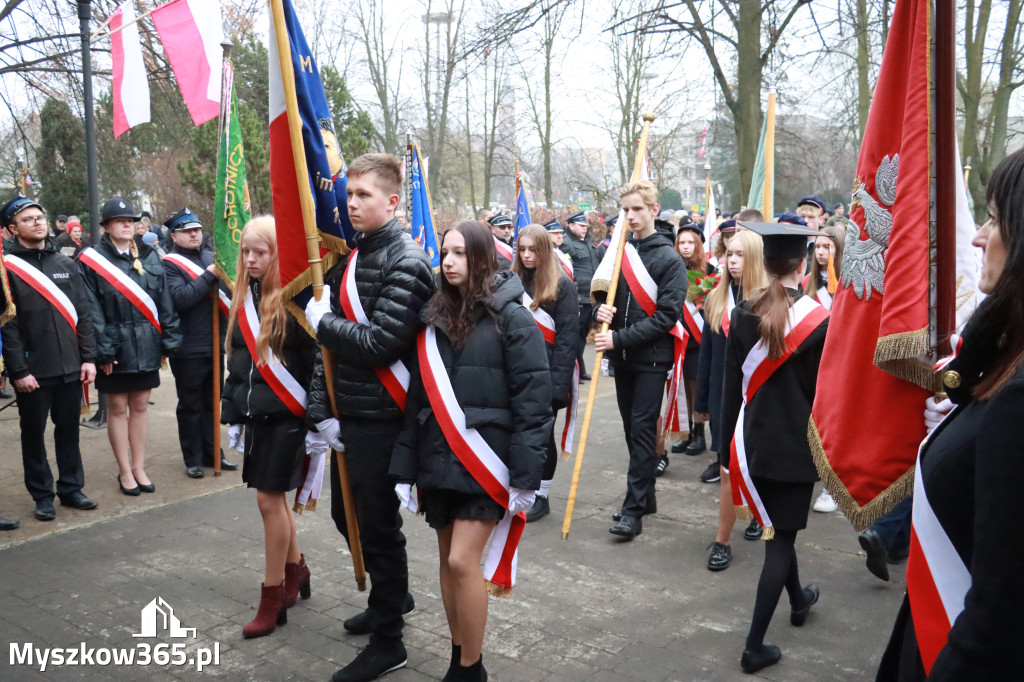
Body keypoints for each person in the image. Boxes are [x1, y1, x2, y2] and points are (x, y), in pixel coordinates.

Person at [876, 148, 1024, 681]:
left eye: (995, 218)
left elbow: (998, 623)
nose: (979, 236)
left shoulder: (1018, 398)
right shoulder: (1005, 361)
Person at [389, 220, 551, 682]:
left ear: (482, 258)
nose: (448, 262)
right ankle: (459, 653)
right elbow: (418, 399)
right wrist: (405, 467)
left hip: (486, 460)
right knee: (446, 563)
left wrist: (526, 476)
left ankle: (470, 667)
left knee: (463, 561)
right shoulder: (433, 315)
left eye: (460, 253)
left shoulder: (514, 318)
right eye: (445, 253)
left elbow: (534, 403)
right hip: (439, 459)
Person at [304, 154, 435, 682]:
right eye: (349, 194)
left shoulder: (406, 261)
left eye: (362, 195)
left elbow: (381, 344)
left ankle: (389, 642)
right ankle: (393, 597)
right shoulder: (352, 257)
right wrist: (322, 411)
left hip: (384, 415)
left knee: (377, 528)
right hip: (350, 414)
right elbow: (327, 353)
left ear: (392, 201)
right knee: (348, 519)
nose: (350, 203)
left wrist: (325, 324)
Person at [719, 220, 830, 674]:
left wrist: (724, 450)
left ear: (764, 265)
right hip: (795, 448)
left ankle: (799, 600)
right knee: (778, 541)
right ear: (802, 265)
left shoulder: (742, 312)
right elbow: (826, 396)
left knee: (778, 528)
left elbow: (730, 390)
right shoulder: (820, 324)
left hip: (749, 445)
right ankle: (754, 645)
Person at [221, 216, 320, 639]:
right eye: (246, 251)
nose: (250, 259)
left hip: (288, 416)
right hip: (259, 414)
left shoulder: (295, 302)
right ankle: (297, 571)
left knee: (267, 501)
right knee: (274, 501)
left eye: (260, 252)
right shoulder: (245, 295)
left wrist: (319, 419)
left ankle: (272, 593)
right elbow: (238, 362)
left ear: (278, 253)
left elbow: (317, 366)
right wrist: (233, 412)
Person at [593, 179, 687, 540]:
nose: (630, 216)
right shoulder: (618, 253)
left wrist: (617, 338)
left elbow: (666, 318)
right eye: (626, 210)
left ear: (653, 211)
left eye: (637, 209)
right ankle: (644, 497)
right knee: (633, 433)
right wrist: (600, 312)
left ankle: (632, 512)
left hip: (651, 359)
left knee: (643, 431)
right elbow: (602, 298)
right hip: (623, 359)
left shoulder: (669, 259)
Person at [0, 195, 98, 522]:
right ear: (13, 229)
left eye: (39, 217)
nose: (38, 222)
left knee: (68, 430)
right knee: (33, 434)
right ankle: (42, 495)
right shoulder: (8, 269)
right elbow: (8, 325)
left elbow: (83, 314)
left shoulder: (66, 264)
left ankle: (71, 488)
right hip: (33, 370)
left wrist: (88, 358)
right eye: (28, 220)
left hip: (71, 366)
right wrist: (19, 371)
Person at [80, 198, 181, 496]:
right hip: (115, 346)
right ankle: (124, 470)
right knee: (118, 407)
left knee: (139, 405)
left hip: (148, 343)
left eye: (131, 220)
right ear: (107, 227)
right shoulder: (92, 260)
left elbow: (165, 302)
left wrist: (169, 340)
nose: (127, 224)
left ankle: (139, 467)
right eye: (120, 220)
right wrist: (104, 350)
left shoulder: (150, 256)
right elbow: (91, 310)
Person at [697, 229, 768, 571]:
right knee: (726, 470)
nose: (732, 260)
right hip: (723, 399)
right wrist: (702, 402)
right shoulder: (716, 298)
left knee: (753, 465)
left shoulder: (770, 303)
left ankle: (757, 513)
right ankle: (722, 540)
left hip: (756, 400)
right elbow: (707, 359)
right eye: (729, 253)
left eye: (740, 254)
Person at [162, 208, 238, 478]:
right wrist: (209, 276)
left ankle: (213, 452)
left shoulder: (211, 257)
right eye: (186, 231)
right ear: (174, 235)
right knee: (191, 404)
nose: (194, 234)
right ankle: (193, 458)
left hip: (215, 343)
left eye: (196, 229)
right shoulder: (169, 264)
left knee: (211, 402)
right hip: (188, 346)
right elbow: (181, 299)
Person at [511, 223, 578, 522]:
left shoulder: (564, 287)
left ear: (545, 251)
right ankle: (518, 487)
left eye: (532, 250)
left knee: (542, 437)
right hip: (515, 373)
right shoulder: (510, 282)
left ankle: (542, 494)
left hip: (547, 376)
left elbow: (567, 341)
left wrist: (557, 386)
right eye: (521, 249)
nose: (526, 256)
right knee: (517, 434)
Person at [666, 223, 717, 469]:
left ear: (698, 246)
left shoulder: (711, 271)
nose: (685, 247)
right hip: (678, 337)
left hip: (700, 339)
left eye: (690, 243)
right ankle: (685, 433)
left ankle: (699, 433)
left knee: (697, 386)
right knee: (682, 388)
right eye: (681, 243)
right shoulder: (671, 269)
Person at [561, 211, 603, 381]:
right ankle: (575, 370)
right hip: (577, 296)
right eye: (581, 226)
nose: (584, 229)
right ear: (571, 226)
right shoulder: (566, 243)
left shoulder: (589, 243)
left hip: (589, 296)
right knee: (574, 335)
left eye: (586, 226)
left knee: (582, 335)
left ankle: (580, 368)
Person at [804, 224, 845, 310]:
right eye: (817, 247)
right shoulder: (806, 281)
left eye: (826, 247)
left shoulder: (848, 283)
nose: (820, 252)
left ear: (839, 249)